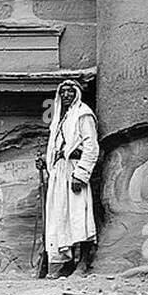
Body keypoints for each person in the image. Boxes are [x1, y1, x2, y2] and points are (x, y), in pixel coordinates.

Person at [41, 79, 99, 278]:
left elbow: (91, 146)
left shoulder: (83, 114)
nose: (66, 95)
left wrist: (81, 174)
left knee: (78, 216)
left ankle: (82, 264)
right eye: (63, 92)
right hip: (59, 172)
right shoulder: (58, 117)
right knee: (60, 217)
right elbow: (56, 145)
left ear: (77, 94)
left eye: (70, 92)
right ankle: (65, 264)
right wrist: (46, 161)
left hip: (74, 170)